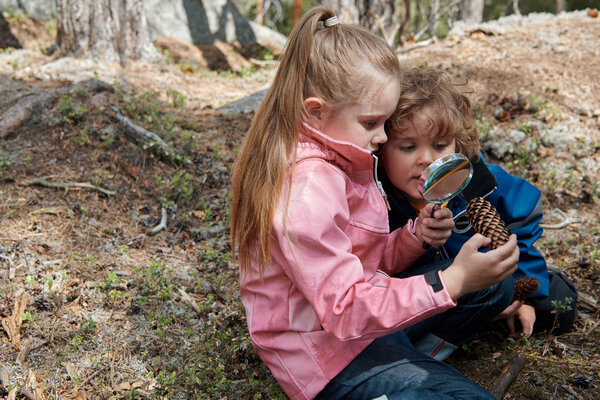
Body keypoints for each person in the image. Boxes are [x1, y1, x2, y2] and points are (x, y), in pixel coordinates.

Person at [231, 7, 519, 400]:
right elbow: (343, 308)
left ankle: (407, 368)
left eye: (385, 123)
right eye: (371, 123)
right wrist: (450, 281)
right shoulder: (307, 188)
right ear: (315, 112)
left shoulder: (344, 157)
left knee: (491, 284)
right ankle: (398, 380)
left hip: (361, 323)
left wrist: (414, 237)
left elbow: (362, 261)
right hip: (325, 352)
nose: (382, 137)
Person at [379, 64, 577, 341]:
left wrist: (521, 289)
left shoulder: (479, 183)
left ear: (457, 145)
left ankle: (506, 308)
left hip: (491, 280)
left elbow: (522, 221)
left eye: (439, 146)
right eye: (408, 147)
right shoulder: (378, 203)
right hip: (431, 292)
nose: (427, 159)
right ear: (381, 146)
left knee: (557, 303)